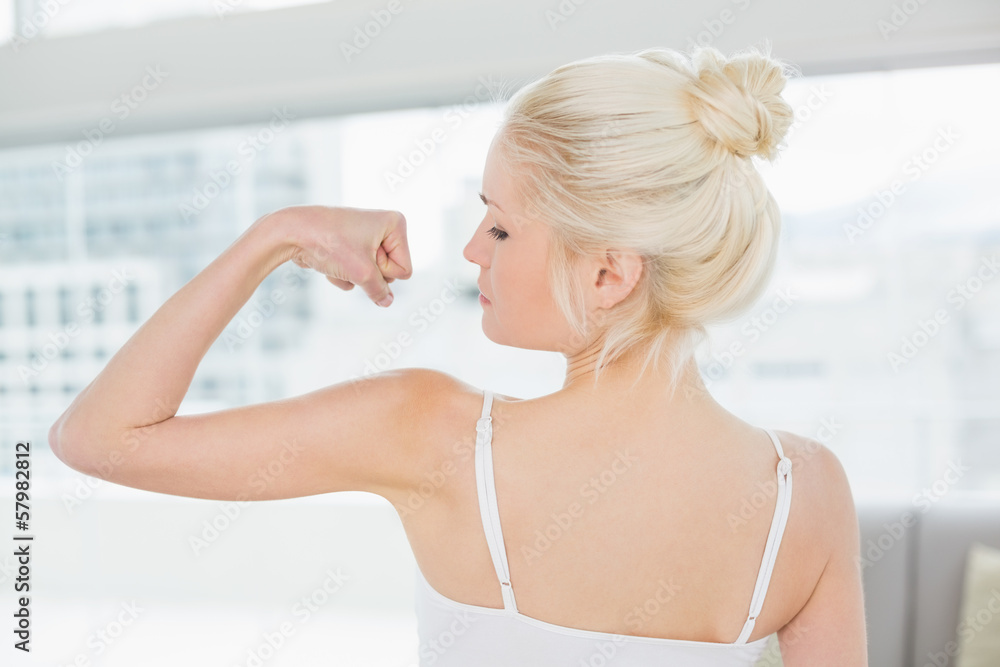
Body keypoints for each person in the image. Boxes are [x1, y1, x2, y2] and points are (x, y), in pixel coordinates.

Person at [49, 42, 867, 666]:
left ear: (609, 272)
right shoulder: (809, 491)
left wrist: (279, 234)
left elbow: (98, 437)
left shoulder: (428, 431)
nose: (474, 248)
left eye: (502, 225)